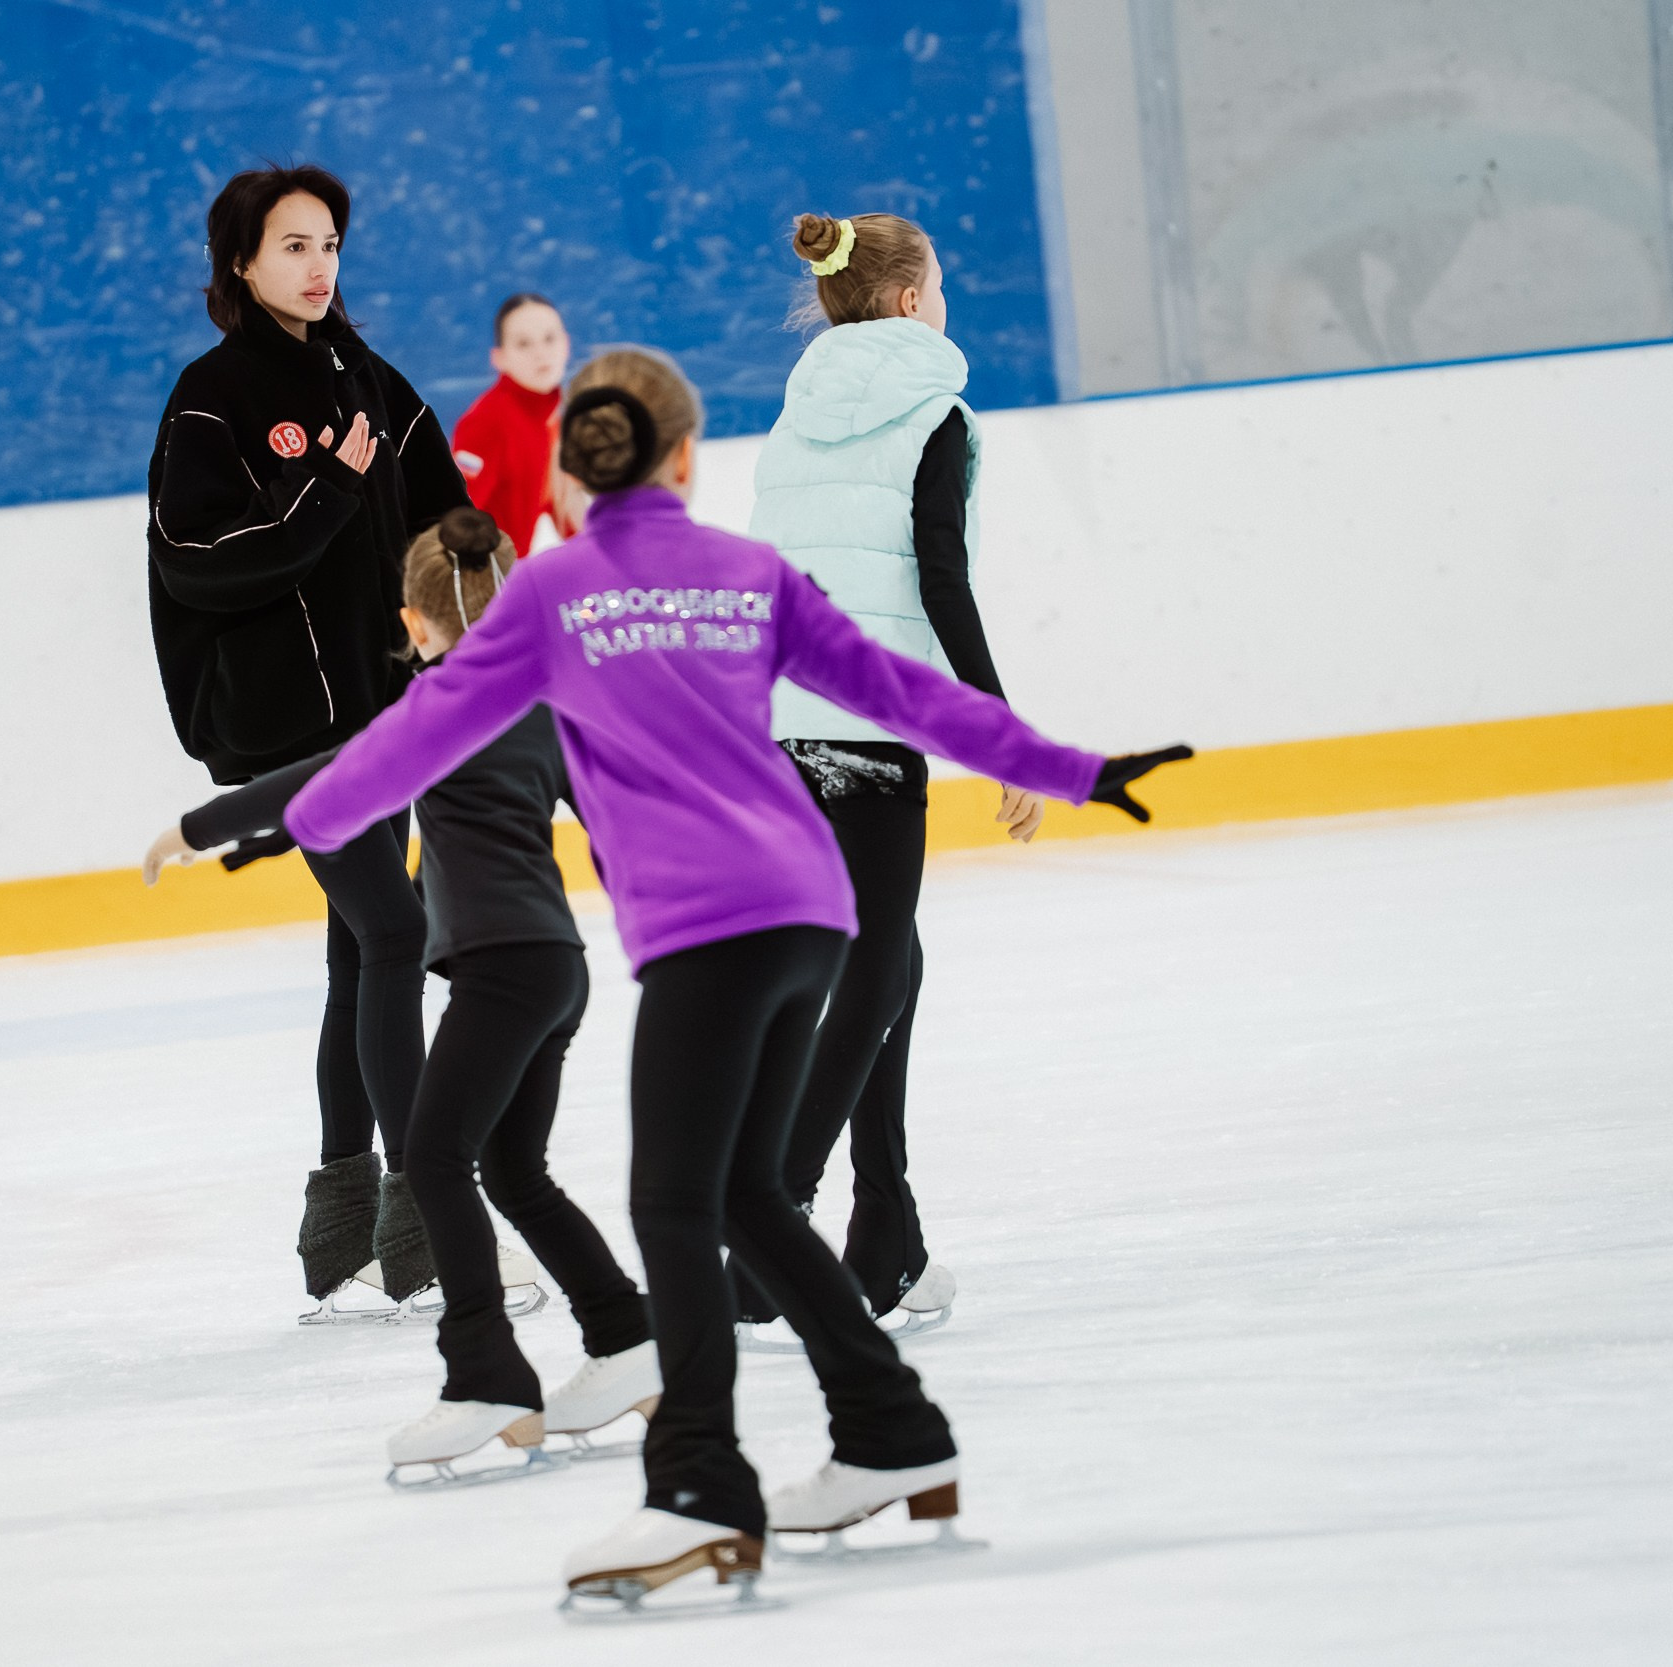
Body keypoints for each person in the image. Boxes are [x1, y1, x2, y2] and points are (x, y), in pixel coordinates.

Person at [279, 347, 1190, 1606]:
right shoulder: (747, 574)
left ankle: (698, 1485)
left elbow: (414, 737)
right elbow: (904, 694)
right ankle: (890, 1430)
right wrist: (1068, 767)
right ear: (687, 457)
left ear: (566, 466)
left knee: (676, 1205)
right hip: (809, 907)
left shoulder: (550, 593)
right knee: (751, 1194)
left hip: (708, 934)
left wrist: (307, 818)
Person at [144, 507, 659, 1480]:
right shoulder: (546, 702)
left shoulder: (433, 709)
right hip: (556, 967)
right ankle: (625, 1339)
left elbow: (314, 778)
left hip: (503, 970)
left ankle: (485, 1380)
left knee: (432, 1155)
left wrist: (195, 825)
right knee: (513, 1171)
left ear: (412, 625)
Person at [143, 163, 474, 1314]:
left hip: (386, 713)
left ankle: (342, 1223)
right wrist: (328, 490)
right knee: (393, 931)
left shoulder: (368, 379)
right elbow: (204, 562)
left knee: (361, 955)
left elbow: (446, 518)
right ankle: (425, 1214)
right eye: (291, 246)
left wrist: (487, 574)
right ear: (240, 264)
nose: (318, 265)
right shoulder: (209, 398)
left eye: (328, 242)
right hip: (291, 730)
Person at [731, 210, 1032, 1351]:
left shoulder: (793, 417)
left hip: (774, 719)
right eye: (940, 283)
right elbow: (940, 579)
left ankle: (885, 1227)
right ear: (910, 301)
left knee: (890, 955)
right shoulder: (936, 414)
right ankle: (777, 1217)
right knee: (871, 968)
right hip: (862, 728)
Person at [449, 293, 571, 555]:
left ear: (566, 344)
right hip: (487, 583)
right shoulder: (486, 422)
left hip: (516, 577)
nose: (541, 353)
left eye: (550, 339)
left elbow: (566, 517)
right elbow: (456, 518)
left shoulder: (554, 420)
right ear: (499, 357)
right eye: (524, 343)